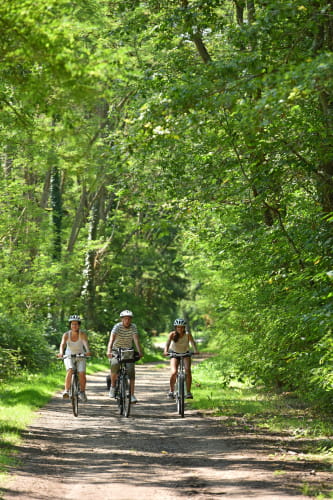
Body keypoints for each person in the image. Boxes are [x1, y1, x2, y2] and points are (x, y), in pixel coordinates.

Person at [107, 310, 143, 403]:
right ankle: (113, 387)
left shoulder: (133, 327)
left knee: (131, 371)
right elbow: (111, 339)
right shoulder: (117, 327)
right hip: (116, 350)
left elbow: (136, 340)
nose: (127, 321)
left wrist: (139, 351)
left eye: (129, 319)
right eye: (125, 319)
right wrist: (109, 350)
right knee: (114, 364)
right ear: (122, 319)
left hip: (128, 351)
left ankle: (131, 395)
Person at [57, 315, 91, 402]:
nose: (74, 326)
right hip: (69, 356)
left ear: (79, 325)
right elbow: (62, 344)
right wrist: (61, 352)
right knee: (70, 369)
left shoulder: (82, 334)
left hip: (80, 356)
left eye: (76, 324)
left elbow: (85, 344)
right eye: (72, 324)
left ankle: (82, 392)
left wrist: (87, 351)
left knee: (81, 373)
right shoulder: (66, 335)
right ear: (70, 325)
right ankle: (66, 391)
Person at [164, 318, 199, 399]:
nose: (180, 329)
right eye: (178, 327)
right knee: (174, 372)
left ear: (184, 328)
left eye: (182, 327)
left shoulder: (188, 335)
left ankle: (188, 392)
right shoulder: (172, 334)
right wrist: (165, 351)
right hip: (174, 354)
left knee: (187, 370)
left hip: (186, 354)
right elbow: (167, 344)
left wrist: (195, 350)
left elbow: (193, 343)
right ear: (175, 328)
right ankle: (171, 391)